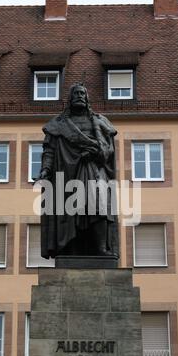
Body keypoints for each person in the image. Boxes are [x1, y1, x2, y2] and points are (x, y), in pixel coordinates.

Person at [38, 83, 119, 259]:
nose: (80, 96)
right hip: (66, 173)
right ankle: (70, 250)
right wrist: (45, 170)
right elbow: (49, 150)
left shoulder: (99, 121)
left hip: (95, 169)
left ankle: (100, 248)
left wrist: (96, 152)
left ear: (87, 98)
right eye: (76, 93)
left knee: (99, 206)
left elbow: (109, 149)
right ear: (70, 98)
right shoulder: (59, 124)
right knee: (70, 211)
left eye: (83, 93)